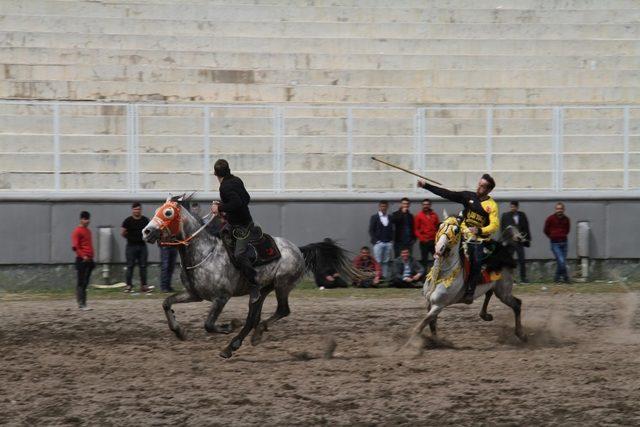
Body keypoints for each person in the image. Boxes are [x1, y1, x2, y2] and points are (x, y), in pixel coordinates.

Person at [417, 174, 499, 304]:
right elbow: (447, 194)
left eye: (482, 186)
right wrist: (426, 186)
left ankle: (470, 292)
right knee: (443, 247)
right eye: (479, 184)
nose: (479, 187)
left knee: (476, 260)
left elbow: (494, 225)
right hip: (462, 235)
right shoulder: (468, 196)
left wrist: (479, 230)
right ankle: (432, 281)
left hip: (478, 240)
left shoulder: (492, 205)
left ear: (488, 190)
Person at [209, 159, 261, 303]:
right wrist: (222, 206)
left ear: (215, 174)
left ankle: (254, 283)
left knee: (239, 254)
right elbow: (246, 199)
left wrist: (219, 208)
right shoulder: (237, 180)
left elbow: (237, 202)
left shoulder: (224, 187)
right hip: (236, 223)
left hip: (242, 226)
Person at [121, 202, 151, 293]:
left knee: (143, 266)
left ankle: (144, 286)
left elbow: (150, 231)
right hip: (131, 247)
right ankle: (129, 286)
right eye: (135, 209)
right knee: (130, 266)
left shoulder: (145, 220)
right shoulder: (128, 221)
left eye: (138, 209)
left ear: (140, 210)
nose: (137, 211)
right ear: (132, 210)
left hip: (142, 246)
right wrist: (130, 238)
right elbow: (123, 232)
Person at [501, 201, 531, 283]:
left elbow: (526, 227)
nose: (512, 208)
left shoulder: (522, 215)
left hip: (519, 242)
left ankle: (523, 278)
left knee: (522, 260)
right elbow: (503, 229)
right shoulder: (506, 216)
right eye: (511, 207)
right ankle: (510, 278)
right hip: (510, 242)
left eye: (514, 207)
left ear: (517, 207)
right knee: (509, 261)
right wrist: (507, 238)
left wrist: (525, 238)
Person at [71, 211, 95, 310]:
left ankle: (83, 302)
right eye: (85, 219)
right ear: (81, 219)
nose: (87, 221)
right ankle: (81, 303)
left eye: (88, 219)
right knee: (81, 282)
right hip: (82, 260)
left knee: (85, 282)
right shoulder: (77, 231)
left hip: (89, 259)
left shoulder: (88, 231)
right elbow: (75, 247)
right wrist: (83, 256)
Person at [544, 202, 571, 283]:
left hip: (564, 242)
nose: (559, 210)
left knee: (561, 262)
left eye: (561, 209)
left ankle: (556, 278)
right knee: (561, 261)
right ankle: (566, 278)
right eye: (558, 209)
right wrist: (552, 236)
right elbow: (545, 230)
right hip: (555, 243)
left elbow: (567, 230)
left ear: (563, 209)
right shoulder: (550, 218)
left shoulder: (566, 219)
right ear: (555, 210)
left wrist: (562, 235)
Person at [368, 200, 393, 280]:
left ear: (387, 207)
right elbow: (371, 230)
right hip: (378, 243)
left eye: (385, 206)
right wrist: (376, 241)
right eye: (382, 206)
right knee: (378, 261)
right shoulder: (374, 217)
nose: (383, 208)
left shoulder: (390, 217)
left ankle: (384, 278)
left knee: (386, 261)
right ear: (379, 207)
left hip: (388, 242)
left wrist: (391, 240)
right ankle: (378, 277)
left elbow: (392, 229)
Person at [414, 198, 440, 271]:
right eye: (424, 204)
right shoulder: (419, 216)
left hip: (433, 241)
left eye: (427, 204)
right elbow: (416, 230)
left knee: (437, 259)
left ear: (430, 205)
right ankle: (424, 278)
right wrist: (422, 239)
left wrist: (437, 238)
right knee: (424, 261)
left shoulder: (434, 215)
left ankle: (437, 274)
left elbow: (438, 227)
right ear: (422, 205)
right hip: (424, 242)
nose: (426, 206)